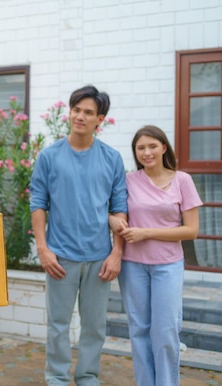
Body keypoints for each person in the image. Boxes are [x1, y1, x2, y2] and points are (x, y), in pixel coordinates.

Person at [30, 85, 128, 385]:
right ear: (69, 112)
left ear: (100, 119)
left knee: (95, 326)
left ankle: (87, 377)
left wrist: (116, 253)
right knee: (58, 326)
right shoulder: (49, 157)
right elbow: (38, 203)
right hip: (60, 256)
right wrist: (43, 250)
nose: (80, 116)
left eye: (88, 112)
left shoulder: (111, 158)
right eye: (76, 110)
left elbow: (121, 208)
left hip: (99, 258)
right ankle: (57, 378)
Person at [110, 125, 202, 386]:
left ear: (164, 147)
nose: (147, 152)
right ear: (135, 152)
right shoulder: (128, 180)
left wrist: (146, 233)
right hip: (132, 266)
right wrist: (111, 221)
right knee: (139, 330)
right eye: (141, 148)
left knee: (165, 332)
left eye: (152, 146)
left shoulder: (182, 180)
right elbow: (114, 213)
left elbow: (191, 230)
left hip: (168, 266)